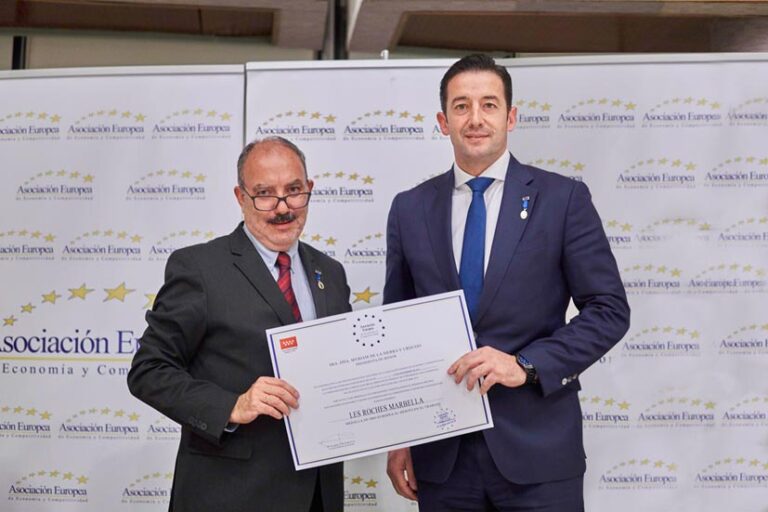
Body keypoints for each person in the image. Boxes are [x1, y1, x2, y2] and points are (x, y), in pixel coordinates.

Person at [384, 54, 630, 511]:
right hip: (442, 457)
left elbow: (609, 310)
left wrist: (527, 365)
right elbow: (398, 330)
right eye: (461, 106)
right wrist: (401, 436)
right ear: (443, 121)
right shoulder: (409, 209)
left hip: (539, 454)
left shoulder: (562, 199)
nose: (475, 119)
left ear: (511, 117)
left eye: (489, 105)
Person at [127, 136, 351, 512]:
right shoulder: (200, 269)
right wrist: (233, 405)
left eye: (294, 190)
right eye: (264, 194)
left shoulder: (330, 272)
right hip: (230, 494)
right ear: (240, 196)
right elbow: (148, 371)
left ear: (309, 189)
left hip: (318, 493)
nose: (282, 207)